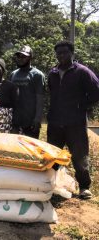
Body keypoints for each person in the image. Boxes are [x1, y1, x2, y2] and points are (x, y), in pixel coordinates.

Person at [47, 41, 99, 200]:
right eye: (59, 53)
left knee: (79, 155)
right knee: (53, 154)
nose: (61, 56)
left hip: (75, 122)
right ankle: (51, 185)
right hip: (55, 122)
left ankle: (84, 187)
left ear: (71, 54)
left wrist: (81, 105)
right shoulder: (53, 73)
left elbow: (96, 92)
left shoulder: (82, 72)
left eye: (64, 52)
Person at [10, 45, 45, 138]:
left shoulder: (37, 75)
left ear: (30, 57)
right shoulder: (13, 74)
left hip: (30, 122)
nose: (20, 59)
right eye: (18, 56)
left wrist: (37, 120)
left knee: (30, 150)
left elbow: (40, 99)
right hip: (15, 121)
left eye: (24, 56)